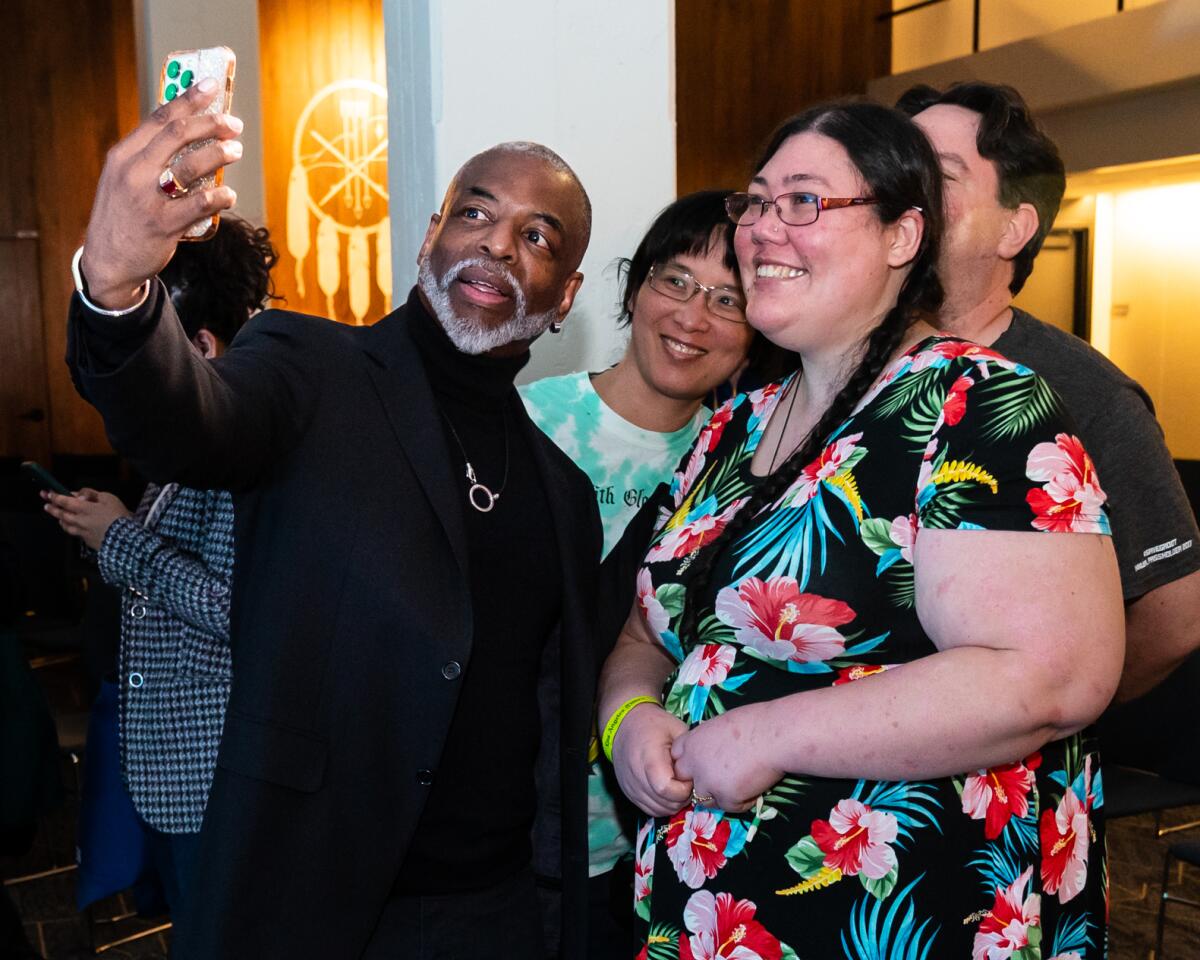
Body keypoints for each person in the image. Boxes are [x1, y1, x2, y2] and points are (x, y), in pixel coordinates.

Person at [65, 78, 600, 959]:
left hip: (494, 913)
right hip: (310, 902)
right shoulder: (312, 366)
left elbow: (546, 716)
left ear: (565, 292)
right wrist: (118, 289)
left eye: (536, 236)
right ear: (432, 234)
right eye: (476, 213)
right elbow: (187, 424)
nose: (497, 244)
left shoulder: (563, 491)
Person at [599, 102, 1124, 958]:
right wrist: (627, 719)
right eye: (756, 202)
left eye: (804, 202)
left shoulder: (977, 406)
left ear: (901, 235)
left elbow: (1048, 679)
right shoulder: (736, 421)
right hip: (715, 915)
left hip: (904, 917)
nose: (765, 229)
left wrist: (767, 734)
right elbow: (646, 627)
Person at [895, 81, 1200, 703]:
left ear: (1015, 228)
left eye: (941, 175)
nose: (908, 193)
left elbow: (1179, 613)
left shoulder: (1086, 393)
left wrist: (1047, 715)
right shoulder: (835, 363)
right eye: (903, 168)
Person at [519, 190, 756, 956]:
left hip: (665, 835)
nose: (694, 316)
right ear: (634, 288)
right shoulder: (525, 425)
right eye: (675, 280)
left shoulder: (748, 467)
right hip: (510, 837)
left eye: (730, 299)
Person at [42, 216, 276, 913]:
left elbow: (239, 607)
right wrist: (113, 527)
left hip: (215, 777)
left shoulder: (245, 444)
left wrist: (120, 539)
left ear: (200, 345)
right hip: (177, 768)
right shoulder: (189, 433)